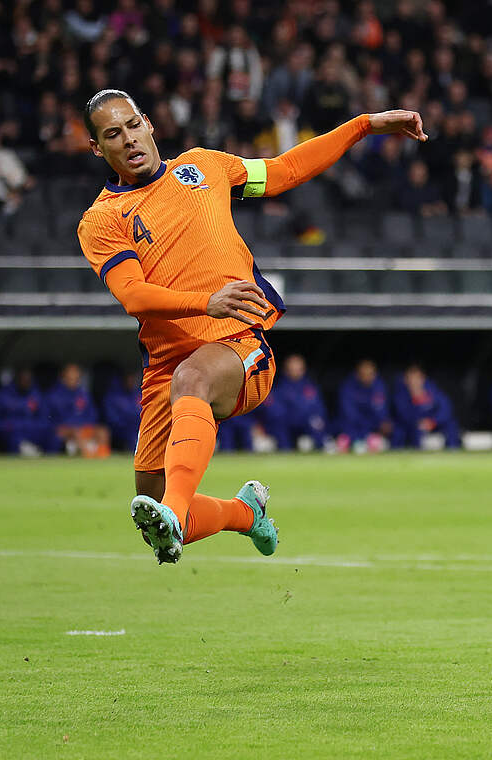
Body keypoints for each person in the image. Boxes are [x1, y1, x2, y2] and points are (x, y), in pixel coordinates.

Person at [76, 88, 426, 563]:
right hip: (165, 364)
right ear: (98, 148)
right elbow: (133, 295)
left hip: (238, 341)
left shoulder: (204, 166)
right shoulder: (101, 219)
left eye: (133, 125)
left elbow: (284, 171)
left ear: (150, 123)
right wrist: (206, 300)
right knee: (151, 512)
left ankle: (176, 512)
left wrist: (362, 124)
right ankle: (245, 513)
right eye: (113, 134)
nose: (129, 140)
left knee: (191, 389)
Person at [0, 369, 55, 455]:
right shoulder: (2, 395)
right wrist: (6, 425)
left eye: (28, 380)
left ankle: (50, 458)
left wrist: (28, 426)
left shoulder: (37, 395)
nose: (26, 382)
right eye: (23, 379)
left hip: (31, 431)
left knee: (52, 435)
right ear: (16, 379)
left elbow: (45, 419)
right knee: (13, 440)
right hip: (9, 433)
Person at [261, 354, 328, 451]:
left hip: (305, 423)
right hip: (286, 423)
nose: (295, 371)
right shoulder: (278, 388)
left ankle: (323, 447)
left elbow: (319, 409)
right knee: (279, 425)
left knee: (316, 422)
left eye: (298, 368)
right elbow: (275, 411)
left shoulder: (310, 387)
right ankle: (285, 450)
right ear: (286, 370)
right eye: (292, 368)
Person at [45, 363, 110, 457]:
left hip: (84, 428)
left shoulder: (83, 394)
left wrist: (86, 427)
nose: (73, 379)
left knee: (103, 431)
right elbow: (51, 421)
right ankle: (87, 455)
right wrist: (69, 428)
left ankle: (102, 457)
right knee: (76, 432)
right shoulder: (54, 395)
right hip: (66, 431)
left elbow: (93, 415)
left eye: (76, 377)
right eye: (70, 377)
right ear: (63, 377)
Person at [392, 364, 461, 449]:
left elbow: (446, 409)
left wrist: (434, 421)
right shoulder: (401, 395)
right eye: (411, 379)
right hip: (414, 425)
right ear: (406, 380)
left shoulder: (433, 392)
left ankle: (453, 449)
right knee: (400, 430)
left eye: (417, 378)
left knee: (451, 425)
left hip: (434, 423)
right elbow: (403, 414)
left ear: (423, 379)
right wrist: (418, 422)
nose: (414, 382)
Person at [337, 359, 393, 452]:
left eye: (370, 374)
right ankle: (355, 442)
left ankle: (372, 441)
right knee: (346, 431)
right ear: (357, 374)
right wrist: (370, 428)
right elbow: (350, 415)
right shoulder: (347, 387)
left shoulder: (379, 386)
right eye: (363, 374)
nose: (367, 377)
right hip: (354, 426)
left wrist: (383, 422)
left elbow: (381, 411)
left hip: (373, 427)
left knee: (391, 429)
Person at [103, 373, 142, 454]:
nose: (131, 381)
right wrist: (125, 424)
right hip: (121, 430)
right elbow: (111, 418)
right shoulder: (114, 395)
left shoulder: (139, 393)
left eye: (133, 378)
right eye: (129, 378)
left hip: (138, 428)